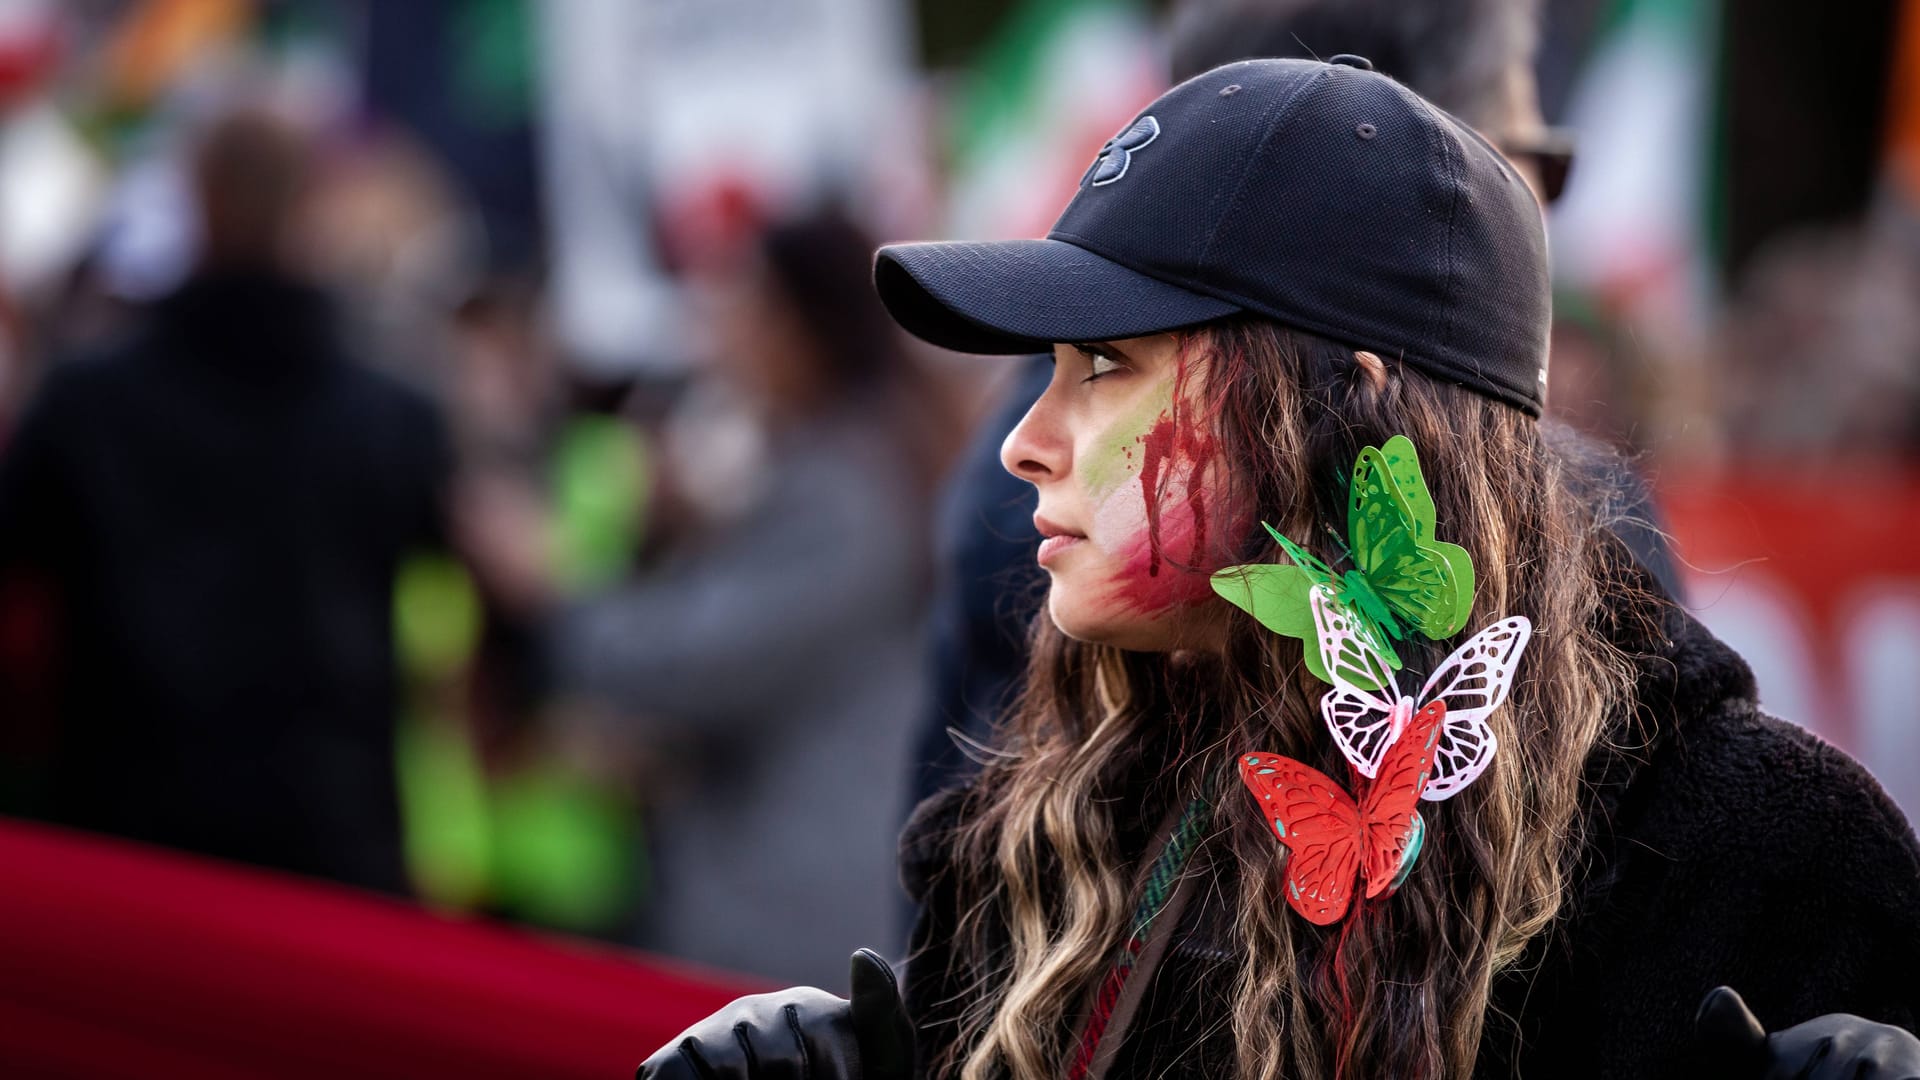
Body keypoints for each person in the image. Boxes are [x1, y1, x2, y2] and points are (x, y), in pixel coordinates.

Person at [638, 59, 1920, 1079]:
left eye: (1108, 367)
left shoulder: (1750, 854)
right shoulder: (1035, 832)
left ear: (1339, 410)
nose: (1025, 446)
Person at [904, 0, 1680, 829]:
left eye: (1102, 363)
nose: (1023, 446)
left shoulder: (1718, 826)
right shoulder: (1090, 759)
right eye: (1522, 162)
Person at [0, 108, 451, 894]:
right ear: (310, 204)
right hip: (330, 851)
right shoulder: (393, 414)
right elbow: (495, 598)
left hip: (124, 853)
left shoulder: (86, 403)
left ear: (196, 196)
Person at [527, 207, 953, 985]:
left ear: (805, 327)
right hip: (795, 895)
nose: (717, 334)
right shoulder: (851, 464)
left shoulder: (846, 493)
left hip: (786, 915)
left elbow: (699, 662)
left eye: (743, 307)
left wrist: (552, 592)